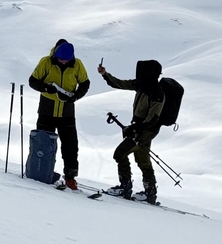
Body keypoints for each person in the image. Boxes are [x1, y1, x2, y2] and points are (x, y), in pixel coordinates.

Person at [98, 59, 166, 203]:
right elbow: (119, 83)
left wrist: (134, 128)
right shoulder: (142, 85)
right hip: (141, 129)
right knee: (143, 160)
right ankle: (150, 193)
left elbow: (152, 119)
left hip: (146, 131)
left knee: (120, 153)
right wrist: (105, 74)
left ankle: (125, 187)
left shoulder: (157, 93)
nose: (140, 74)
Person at [29, 39, 90, 189]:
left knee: (70, 146)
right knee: (43, 143)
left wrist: (75, 96)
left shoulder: (77, 64)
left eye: (66, 60)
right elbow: (32, 81)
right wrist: (45, 88)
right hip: (46, 110)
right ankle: (41, 172)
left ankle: (70, 177)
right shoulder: (46, 62)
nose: (63, 62)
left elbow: (85, 83)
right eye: (61, 59)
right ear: (56, 54)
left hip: (66, 112)